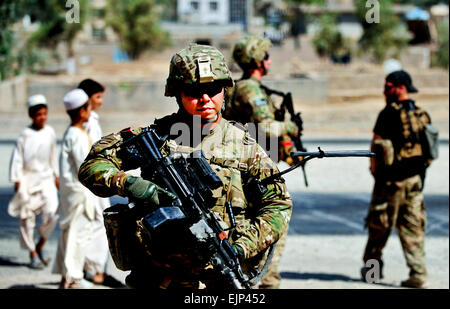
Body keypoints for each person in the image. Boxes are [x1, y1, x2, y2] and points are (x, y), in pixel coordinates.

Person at [78, 43, 293, 289]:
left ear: (224, 89)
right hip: (158, 276)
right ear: (177, 93)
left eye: (212, 89)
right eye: (193, 91)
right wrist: (129, 184)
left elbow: (278, 204)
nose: (204, 99)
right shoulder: (156, 138)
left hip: (218, 277)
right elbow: (92, 164)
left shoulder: (245, 146)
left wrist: (241, 247)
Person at [224, 35, 299, 289]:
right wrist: (291, 126)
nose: (269, 60)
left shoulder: (239, 87)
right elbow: (267, 128)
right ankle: (267, 280)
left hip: (245, 167)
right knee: (272, 221)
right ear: (257, 60)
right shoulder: (249, 89)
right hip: (254, 171)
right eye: (265, 55)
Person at [361, 70, 433, 289]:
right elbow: (428, 153)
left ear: (401, 88)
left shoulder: (388, 113)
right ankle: (418, 274)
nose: (385, 91)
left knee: (378, 230)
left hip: (389, 183)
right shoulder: (422, 114)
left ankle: (372, 274)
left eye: (388, 86)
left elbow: (376, 144)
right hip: (414, 182)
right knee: (413, 228)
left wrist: (376, 174)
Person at [8, 94, 59, 269]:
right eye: (38, 114)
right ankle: (33, 253)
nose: (42, 117)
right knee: (27, 219)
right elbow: (17, 159)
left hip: (46, 179)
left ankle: (41, 244)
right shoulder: (25, 135)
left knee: (52, 212)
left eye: (44, 114)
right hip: (27, 180)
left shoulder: (50, 132)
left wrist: (56, 175)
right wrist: (16, 180)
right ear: (31, 116)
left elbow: (53, 155)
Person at [52, 89, 96, 289]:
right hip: (79, 196)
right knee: (78, 237)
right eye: (88, 107)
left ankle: (66, 278)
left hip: (71, 195)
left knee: (70, 235)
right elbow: (84, 167)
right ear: (81, 111)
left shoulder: (73, 132)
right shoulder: (77, 136)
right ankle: (72, 279)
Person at [77, 78, 116, 286]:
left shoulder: (93, 120)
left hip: (96, 180)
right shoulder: (85, 124)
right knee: (97, 225)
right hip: (93, 181)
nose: (101, 101)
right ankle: (94, 271)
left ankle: (95, 268)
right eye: (98, 97)